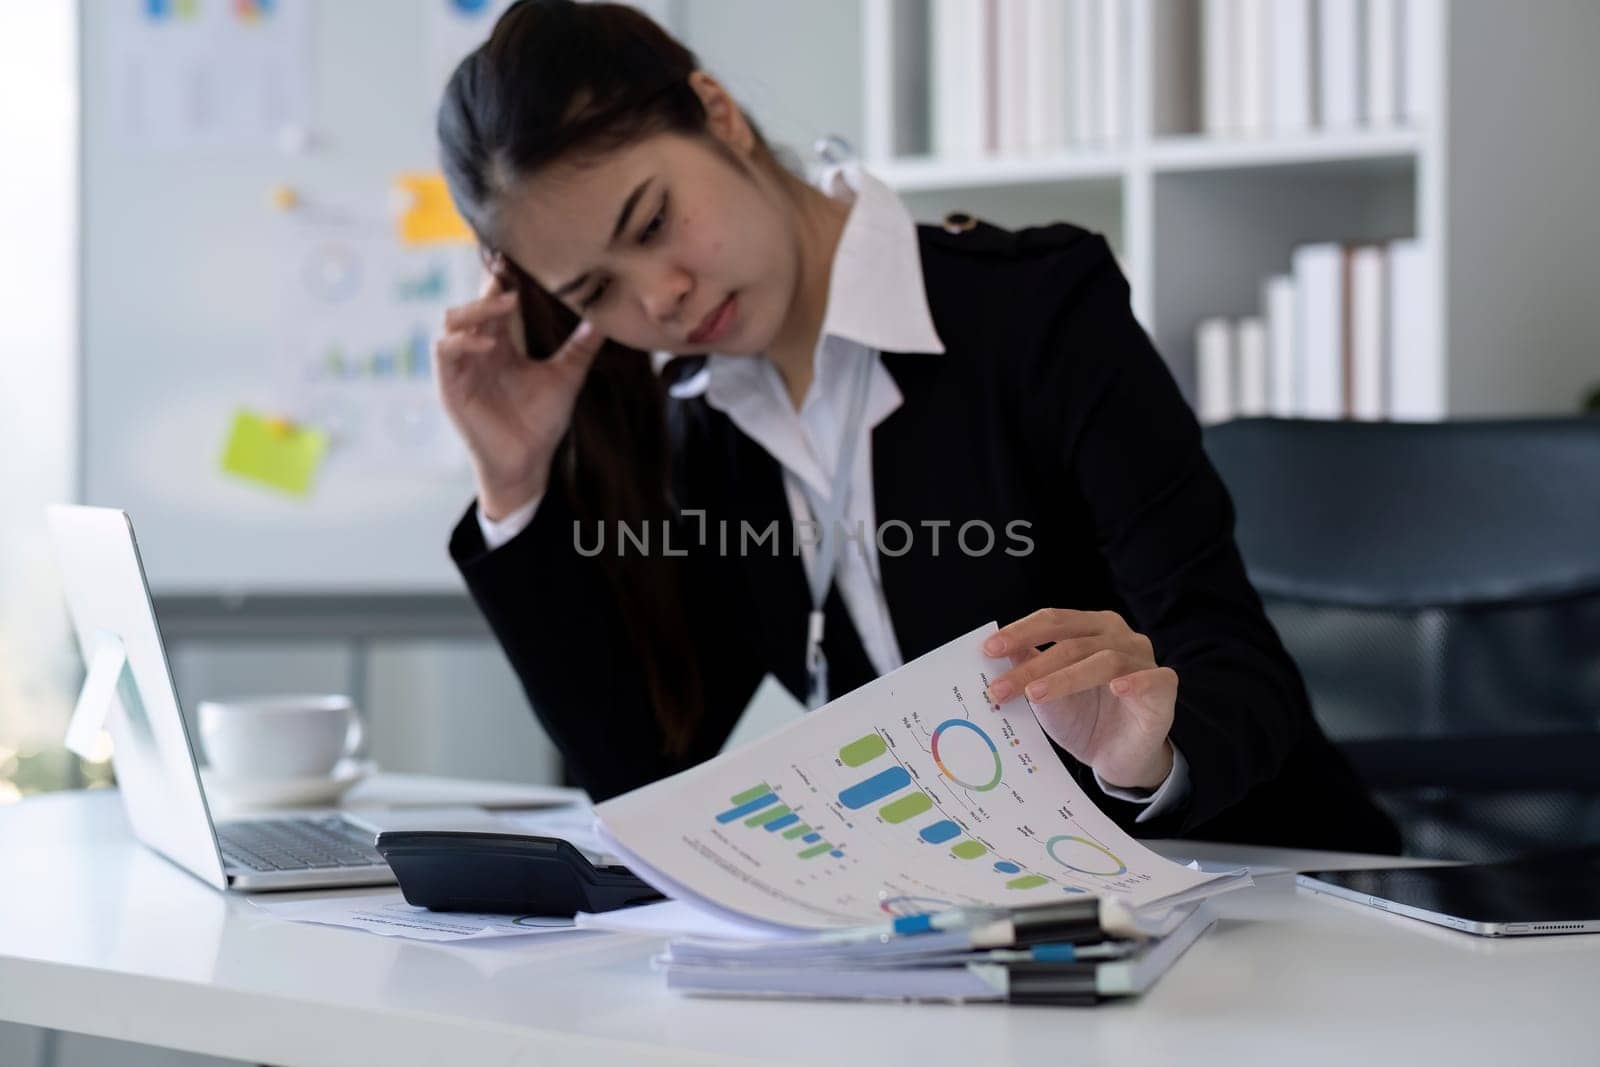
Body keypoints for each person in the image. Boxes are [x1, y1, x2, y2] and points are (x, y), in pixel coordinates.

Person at [432, 0, 1399, 853]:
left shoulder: (1038, 313)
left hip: (1251, 887)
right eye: (597, 290)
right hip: (953, 943)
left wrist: (1144, 750)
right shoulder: (709, 422)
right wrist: (514, 485)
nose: (662, 298)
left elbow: (1238, 667)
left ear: (717, 116)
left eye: (651, 224)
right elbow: (644, 769)